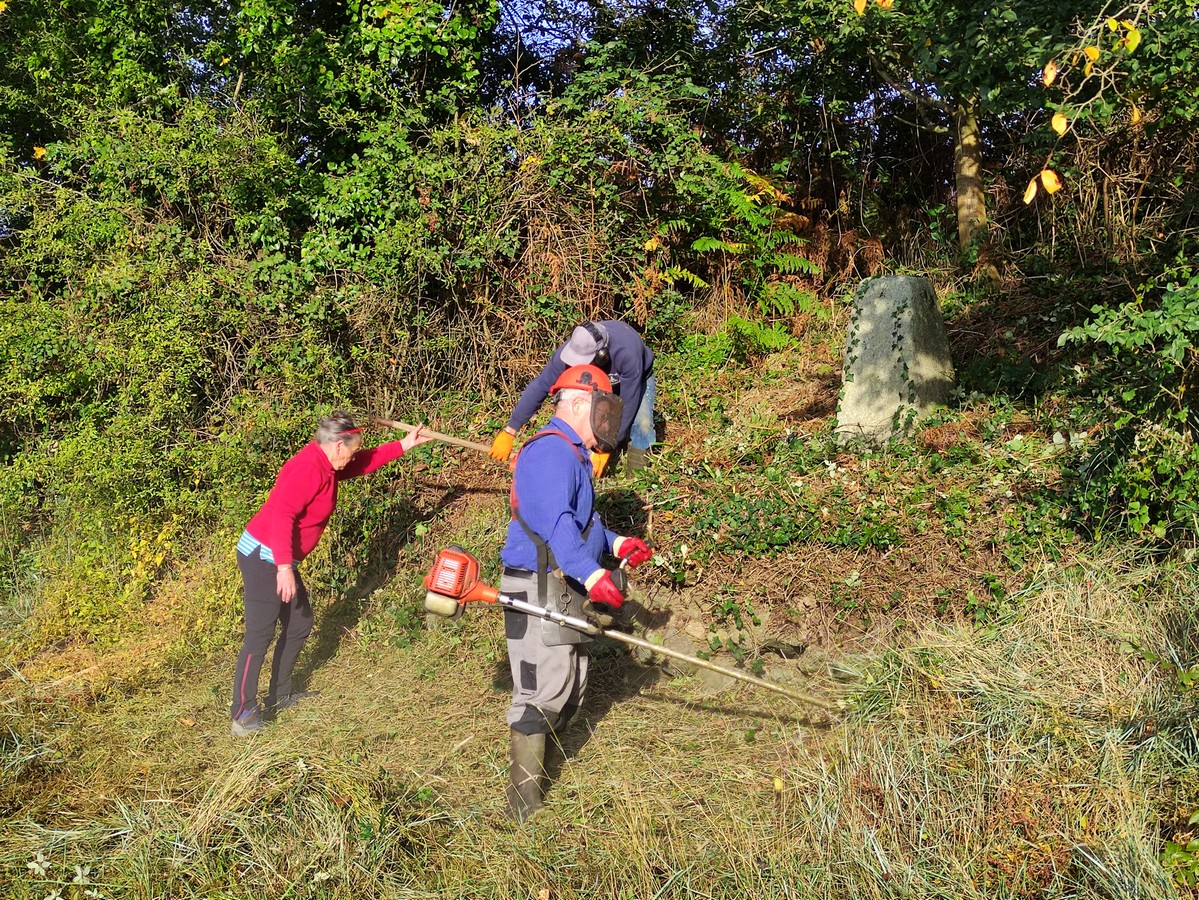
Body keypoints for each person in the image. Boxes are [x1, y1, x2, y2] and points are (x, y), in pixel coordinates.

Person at [498, 364, 654, 820]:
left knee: (571, 689)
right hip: (535, 586)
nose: (608, 421)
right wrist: (591, 574)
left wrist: (617, 543)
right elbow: (555, 522)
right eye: (604, 408)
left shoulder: (573, 455)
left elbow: (583, 523)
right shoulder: (550, 453)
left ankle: (542, 780)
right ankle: (522, 811)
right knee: (539, 694)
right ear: (580, 403)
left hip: (559, 586)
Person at [230, 411, 432, 736]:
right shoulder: (307, 469)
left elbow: (362, 462)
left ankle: (279, 695)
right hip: (264, 556)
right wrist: (284, 567)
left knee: (299, 623)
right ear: (338, 445)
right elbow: (283, 517)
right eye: (350, 451)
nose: (351, 457)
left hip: (279, 559)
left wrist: (405, 444)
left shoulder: (328, 464)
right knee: (259, 635)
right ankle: (243, 713)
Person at [489, 320, 655, 476]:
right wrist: (510, 430)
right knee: (588, 426)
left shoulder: (627, 353)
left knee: (642, 424)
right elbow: (540, 385)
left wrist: (607, 446)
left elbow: (627, 403)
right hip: (598, 385)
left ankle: (635, 480)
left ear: (602, 354)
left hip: (637, 380)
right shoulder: (570, 352)